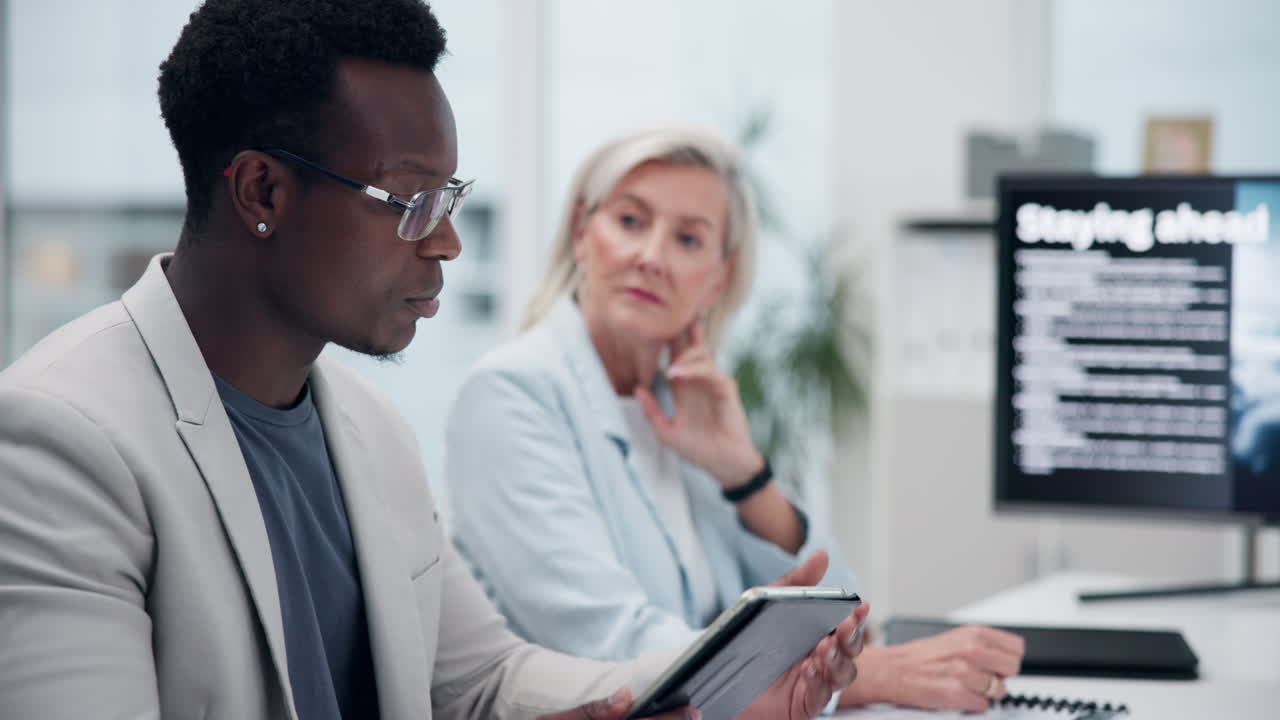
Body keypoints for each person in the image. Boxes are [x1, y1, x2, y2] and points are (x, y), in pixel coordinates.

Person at [0, 3, 868, 719]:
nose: (448, 241)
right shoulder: (59, 440)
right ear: (263, 191)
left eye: (448, 198)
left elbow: (484, 679)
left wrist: (724, 682)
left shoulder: (369, 427)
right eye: (412, 200)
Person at [444, 127, 1025, 713]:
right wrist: (872, 676)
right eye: (630, 221)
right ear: (580, 233)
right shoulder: (510, 395)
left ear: (718, 278)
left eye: (688, 239)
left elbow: (844, 619)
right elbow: (610, 647)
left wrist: (744, 474)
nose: (651, 257)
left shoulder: (685, 405)